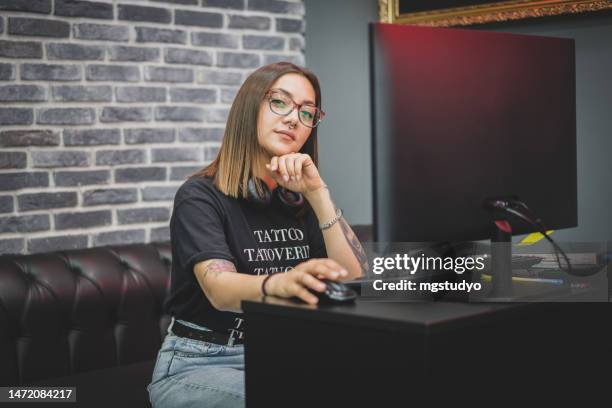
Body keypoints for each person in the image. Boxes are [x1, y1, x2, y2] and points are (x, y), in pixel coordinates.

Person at [147, 62, 368, 408]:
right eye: (280, 102)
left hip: (284, 353)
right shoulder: (200, 196)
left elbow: (356, 279)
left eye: (307, 112)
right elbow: (219, 289)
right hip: (201, 362)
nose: (294, 119)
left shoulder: (300, 199)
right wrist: (278, 284)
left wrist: (318, 194)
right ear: (250, 108)